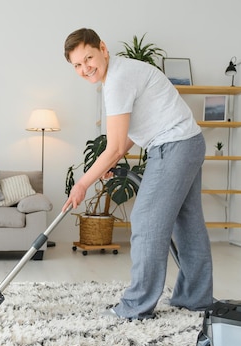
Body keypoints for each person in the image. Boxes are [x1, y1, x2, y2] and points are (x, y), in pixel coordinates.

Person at [62, 28, 213, 319]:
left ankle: (136, 306)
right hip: (189, 143)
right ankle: (196, 298)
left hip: (173, 146)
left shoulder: (117, 80)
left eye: (88, 58)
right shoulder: (121, 73)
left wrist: (82, 183)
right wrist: (107, 163)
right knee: (188, 224)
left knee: (146, 220)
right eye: (77, 65)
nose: (85, 68)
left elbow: (116, 147)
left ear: (102, 48)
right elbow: (129, 135)